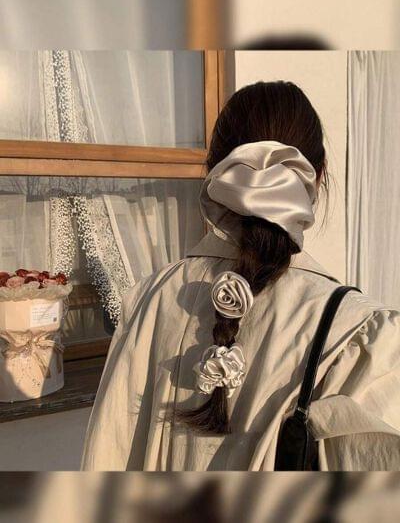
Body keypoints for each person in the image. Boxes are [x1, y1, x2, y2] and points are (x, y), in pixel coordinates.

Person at [81, 81, 400, 471]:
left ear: (215, 172)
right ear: (318, 178)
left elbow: (106, 450)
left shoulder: (149, 299)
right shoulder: (357, 333)